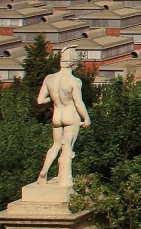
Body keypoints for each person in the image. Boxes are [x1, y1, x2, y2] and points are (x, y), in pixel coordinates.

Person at [34, 47, 90, 186]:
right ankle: (64, 178)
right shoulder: (74, 81)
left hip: (57, 116)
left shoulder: (49, 78)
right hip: (70, 115)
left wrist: (54, 99)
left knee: (55, 145)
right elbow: (78, 102)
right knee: (67, 146)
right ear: (73, 63)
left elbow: (40, 101)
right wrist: (86, 118)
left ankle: (44, 171)